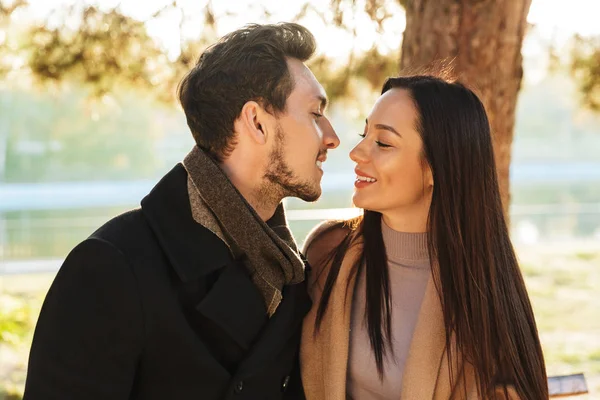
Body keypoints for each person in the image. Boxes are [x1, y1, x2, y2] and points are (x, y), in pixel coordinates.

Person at [23, 22, 339, 400]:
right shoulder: (112, 266)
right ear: (257, 123)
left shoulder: (292, 276)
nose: (332, 137)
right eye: (316, 114)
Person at [300, 75, 548, 399]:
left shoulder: (482, 286)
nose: (357, 152)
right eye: (364, 134)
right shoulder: (327, 252)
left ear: (435, 167)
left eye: (383, 143)